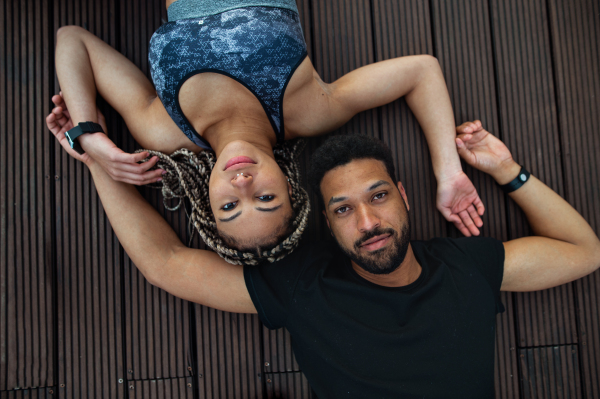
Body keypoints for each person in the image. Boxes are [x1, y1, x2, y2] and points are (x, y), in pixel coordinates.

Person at [48, 106, 600, 398]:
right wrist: (98, 160)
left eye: (378, 196)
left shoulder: (466, 265)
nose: (367, 223)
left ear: (404, 197)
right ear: (326, 224)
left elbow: (583, 251)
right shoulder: (304, 285)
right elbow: (165, 264)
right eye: (342, 209)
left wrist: (506, 170)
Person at [51, 0, 485, 264]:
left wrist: (88, 137)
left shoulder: (163, 129)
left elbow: (73, 40)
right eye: (264, 198)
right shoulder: (309, 111)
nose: (242, 183)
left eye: (229, 205)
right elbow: (421, 71)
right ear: (290, 189)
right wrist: (449, 175)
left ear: (208, 196)